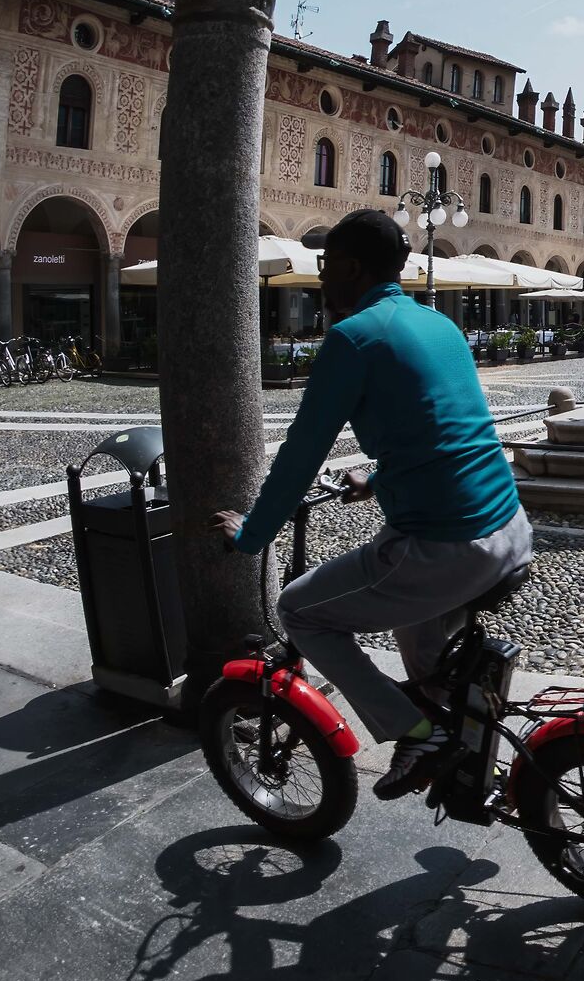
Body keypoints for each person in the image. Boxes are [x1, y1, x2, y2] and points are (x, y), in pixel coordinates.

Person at [212, 210, 531, 802]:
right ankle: (465, 744)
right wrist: (378, 479)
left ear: (351, 268)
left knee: (301, 612)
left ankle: (418, 733)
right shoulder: (439, 325)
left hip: (446, 545)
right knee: (422, 642)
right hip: (508, 528)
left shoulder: (352, 338)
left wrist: (252, 535)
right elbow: (445, 433)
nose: (322, 279)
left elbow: (299, 456)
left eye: (327, 266)